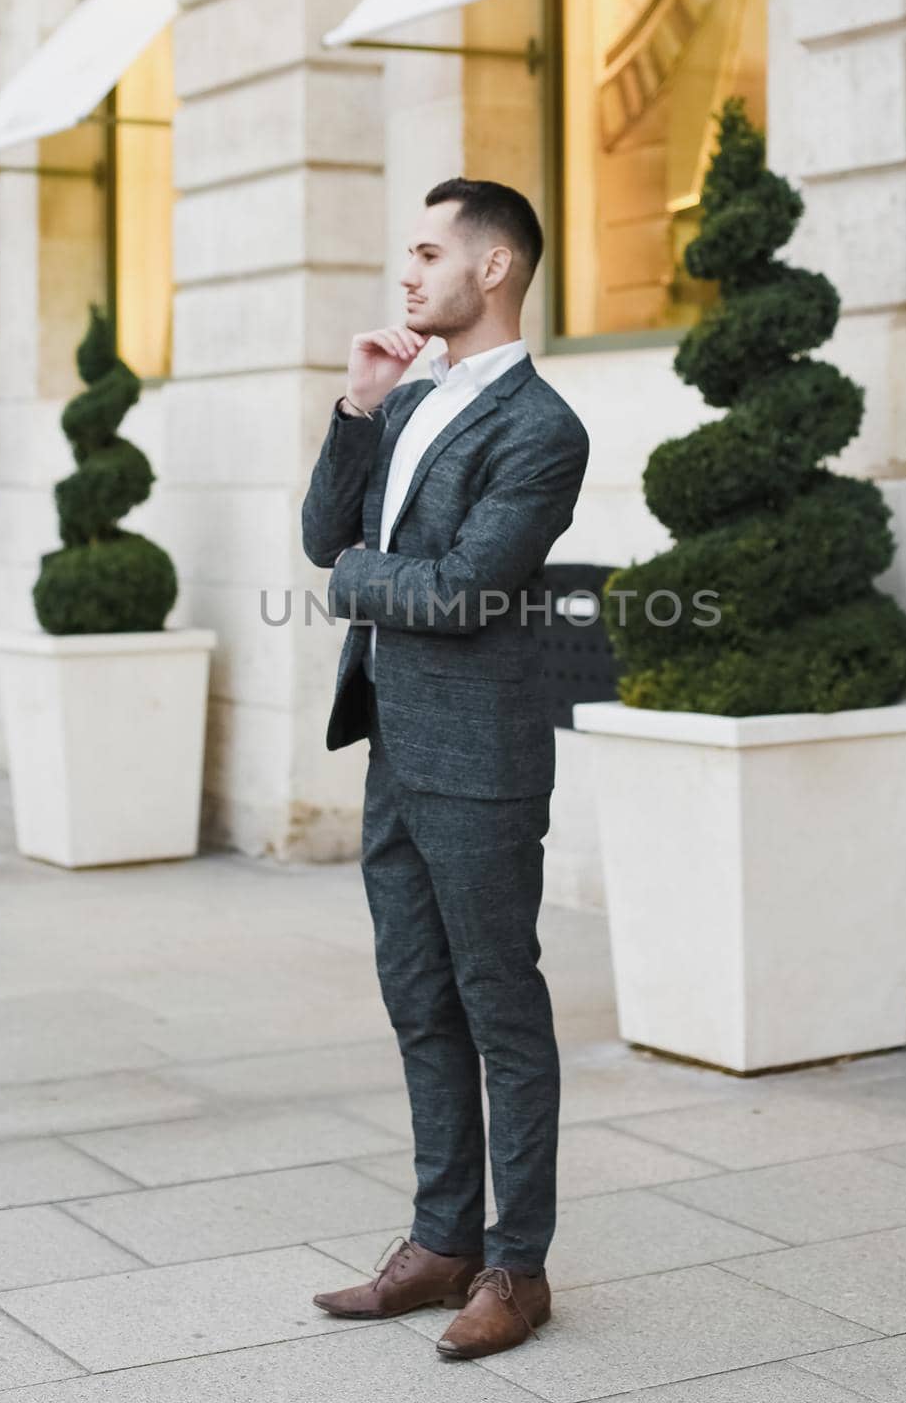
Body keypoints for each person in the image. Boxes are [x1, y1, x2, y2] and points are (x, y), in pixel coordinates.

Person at [300, 177, 590, 1361]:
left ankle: (516, 1266)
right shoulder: (410, 396)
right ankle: (440, 1240)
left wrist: (357, 580)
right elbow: (326, 534)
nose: (406, 274)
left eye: (428, 252)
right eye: (404, 253)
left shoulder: (543, 427)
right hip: (396, 747)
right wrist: (360, 409)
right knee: (419, 1000)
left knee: (498, 1008)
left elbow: (464, 589)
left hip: (479, 762)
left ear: (495, 269)